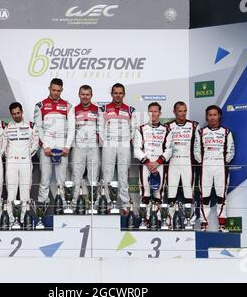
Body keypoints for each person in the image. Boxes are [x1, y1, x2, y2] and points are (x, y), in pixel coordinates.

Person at [34, 78, 75, 205]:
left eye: (58, 90)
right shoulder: (40, 105)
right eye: (53, 90)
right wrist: (45, 146)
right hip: (47, 146)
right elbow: (38, 128)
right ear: (49, 89)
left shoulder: (68, 106)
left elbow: (72, 128)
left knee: (61, 179)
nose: (56, 93)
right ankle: (42, 205)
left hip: (62, 146)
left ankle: (63, 205)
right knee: (45, 178)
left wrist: (67, 147)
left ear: (62, 90)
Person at [194, 105, 235, 232]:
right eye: (210, 115)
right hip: (205, 167)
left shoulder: (226, 132)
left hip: (220, 167)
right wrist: (203, 162)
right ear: (207, 116)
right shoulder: (201, 132)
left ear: (219, 116)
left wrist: (222, 162)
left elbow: (231, 151)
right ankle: (203, 224)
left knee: (221, 197)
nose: (212, 117)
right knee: (204, 197)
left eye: (215, 115)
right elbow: (196, 151)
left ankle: (222, 225)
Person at [98, 83, 138, 213]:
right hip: (109, 144)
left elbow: (134, 129)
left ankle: (125, 205)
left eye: (120, 93)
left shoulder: (131, 110)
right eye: (115, 93)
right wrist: (105, 142)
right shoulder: (103, 109)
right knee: (107, 174)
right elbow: (100, 128)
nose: (118, 95)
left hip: (124, 144)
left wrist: (127, 140)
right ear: (111, 94)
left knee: (123, 175)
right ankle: (108, 203)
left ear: (124, 94)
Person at [165, 102, 200, 220]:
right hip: (172, 162)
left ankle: (189, 219)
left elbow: (197, 146)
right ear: (174, 112)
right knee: (171, 193)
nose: (183, 113)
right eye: (180, 111)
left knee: (188, 193)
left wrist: (198, 161)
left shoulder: (194, 125)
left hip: (187, 162)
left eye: (185, 110)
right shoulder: (168, 126)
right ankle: (169, 219)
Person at [3, 102, 39, 213]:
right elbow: (3, 145)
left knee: (25, 191)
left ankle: (25, 217)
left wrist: (27, 155)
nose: (16, 115)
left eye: (18, 113)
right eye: (13, 114)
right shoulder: (7, 127)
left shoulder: (31, 126)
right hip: (12, 162)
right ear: (11, 114)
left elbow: (35, 144)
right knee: (11, 191)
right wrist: (9, 157)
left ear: (22, 112)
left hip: (25, 161)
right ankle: (10, 217)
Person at [134, 102, 172, 205]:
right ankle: (145, 219)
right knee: (145, 193)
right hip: (145, 164)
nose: (153, 114)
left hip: (159, 164)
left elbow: (169, 149)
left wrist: (158, 162)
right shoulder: (140, 129)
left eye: (155, 111)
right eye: (151, 111)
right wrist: (148, 162)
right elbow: (136, 149)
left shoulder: (166, 130)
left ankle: (158, 218)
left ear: (160, 113)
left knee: (158, 193)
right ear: (147, 113)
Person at [71, 85, 100, 205]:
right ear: (79, 95)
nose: (85, 97)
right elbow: (70, 129)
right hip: (79, 146)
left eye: (87, 94)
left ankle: (95, 204)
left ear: (91, 95)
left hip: (93, 146)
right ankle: (74, 203)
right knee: (76, 175)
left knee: (94, 176)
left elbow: (101, 128)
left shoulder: (98, 110)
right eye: (83, 94)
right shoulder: (73, 110)